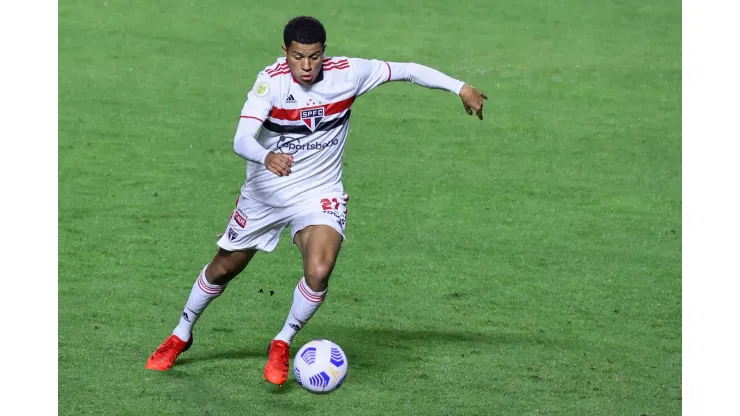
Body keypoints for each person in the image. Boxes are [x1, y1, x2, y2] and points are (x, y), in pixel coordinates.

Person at [145, 15, 487, 385]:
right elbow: (241, 139)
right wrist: (266, 156)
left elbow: (405, 70)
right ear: (284, 52)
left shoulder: (348, 74)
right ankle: (182, 332)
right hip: (266, 193)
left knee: (320, 269)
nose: (306, 66)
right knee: (225, 267)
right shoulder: (270, 83)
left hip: (319, 192)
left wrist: (460, 87)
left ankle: (283, 341)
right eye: (297, 57)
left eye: (313, 56)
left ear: (325, 52)